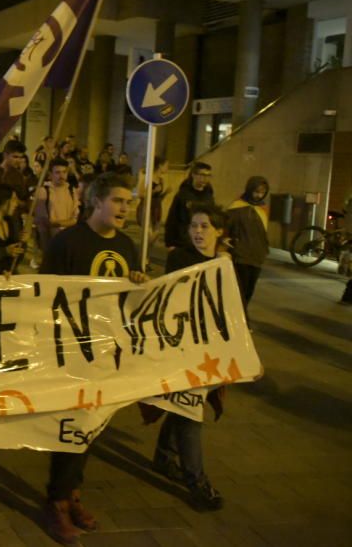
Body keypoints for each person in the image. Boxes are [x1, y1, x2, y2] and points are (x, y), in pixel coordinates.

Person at [39, 171, 148, 544]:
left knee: (93, 423)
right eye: (118, 201)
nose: (125, 208)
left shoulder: (128, 246)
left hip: (107, 350)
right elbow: (42, 297)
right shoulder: (66, 243)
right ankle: (56, 501)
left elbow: (129, 299)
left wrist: (138, 284)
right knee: (72, 423)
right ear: (96, 202)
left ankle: (72, 493)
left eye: (128, 202)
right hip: (70, 351)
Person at [151, 202, 228, 511]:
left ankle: (164, 455)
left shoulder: (225, 266)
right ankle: (196, 481)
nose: (197, 231)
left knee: (186, 407)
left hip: (210, 351)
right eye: (194, 226)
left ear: (219, 232)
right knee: (190, 412)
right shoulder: (179, 258)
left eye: (205, 226)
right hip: (181, 349)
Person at [227, 176, 270, 315]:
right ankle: (239, 318)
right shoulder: (237, 206)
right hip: (241, 255)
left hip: (257, 256)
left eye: (262, 192)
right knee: (240, 290)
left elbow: (263, 232)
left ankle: (240, 317)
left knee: (249, 291)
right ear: (249, 189)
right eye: (256, 191)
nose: (259, 195)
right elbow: (227, 227)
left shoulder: (263, 208)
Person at [33, 158, 79, 261]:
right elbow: (44, 220)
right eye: (57, 172)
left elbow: (75, 217)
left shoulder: (71, 190)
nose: (61, 176)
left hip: (68, 236)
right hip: (49, 238)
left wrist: (62, 223)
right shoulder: (43, 191)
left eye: (64, 172)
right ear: (50, 174)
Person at [164, 162, 214, 250]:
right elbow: (173, 219)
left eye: (208, 175)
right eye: (202, 175)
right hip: (184, 241)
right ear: (193, 175)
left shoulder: (209, 194)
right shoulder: (183, 195)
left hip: (203, 241)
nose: (205, 179)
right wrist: (170, 243)